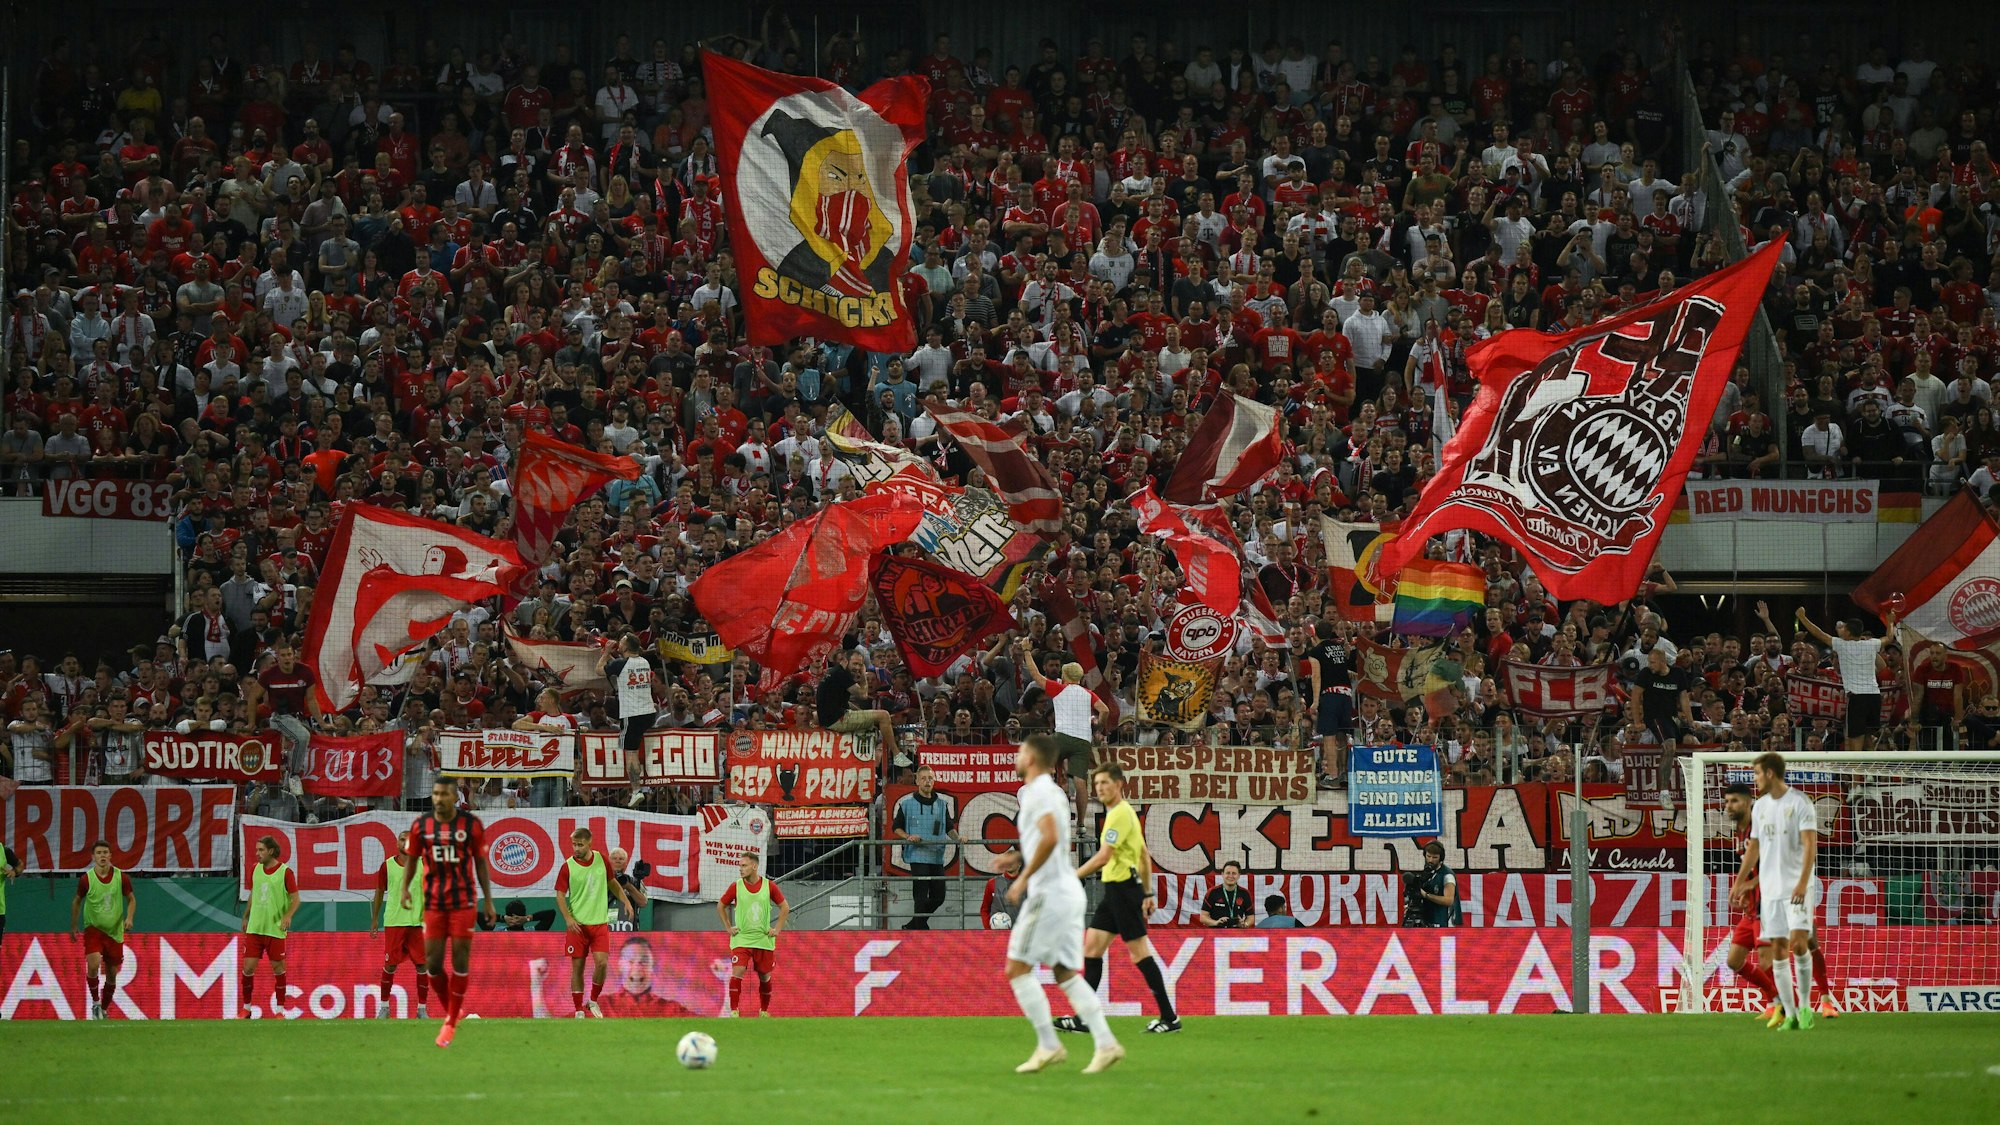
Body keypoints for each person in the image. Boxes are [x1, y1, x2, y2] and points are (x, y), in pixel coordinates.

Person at [1001, 732, 1123, 1074]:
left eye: (1021, 751)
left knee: (1017, 969)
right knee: (1064, 972)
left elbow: (1052, 836)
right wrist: (1016, 856)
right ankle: (1106, 1042)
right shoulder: (1052, 792)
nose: (1016, 756)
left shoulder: (1038, 791)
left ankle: (1049, 1045)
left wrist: (1023, 877)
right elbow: (1048, 837)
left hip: (1049, 893)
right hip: (1067, 889)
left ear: (1032, 759)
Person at [1058, 762, 1180, 1034]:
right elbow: (1144, 855)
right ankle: (1084, 1018)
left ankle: (1170, 1018)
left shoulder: (1119, 814)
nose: (1100, 788)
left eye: (1105, 783)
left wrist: (1073, 876)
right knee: (1091, 950)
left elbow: (1104, 856)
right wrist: (1148, 893)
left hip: (1124, 890)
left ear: (1119, 784)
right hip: (1117, 890)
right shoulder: (1123, 814)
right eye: (1097, 784)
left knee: (1139, 955)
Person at [399, 776, 497, 1047]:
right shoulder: (421, 826)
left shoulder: (471, 825)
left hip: (463, 901)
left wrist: (488, 901)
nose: (439, 799)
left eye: (444, 794)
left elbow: (480, 864)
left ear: (456, 797)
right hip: (433, 903)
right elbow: (412, 860)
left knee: (460, 961)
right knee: (432, 964)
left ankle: (451, 1021)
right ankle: (452, 1010)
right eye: (435, 794)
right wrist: (404, 888)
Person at [1731, 751, 1822, 1031]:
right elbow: (1755, 847)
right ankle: (1791, 1014)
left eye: (1757, 773)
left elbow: (1810, 845)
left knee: (1798, 944)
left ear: (1770, 773)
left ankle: (1805, 1007)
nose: (1755, 779)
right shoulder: (1760, 808)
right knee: (1779, 952)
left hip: (1796, 887)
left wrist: (1802, 882)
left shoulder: (1800, 802)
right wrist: (1738, 882)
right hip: (1769, 891)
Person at [1016, 639, 1108, 820]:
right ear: (1081, 678)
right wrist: (1098, 725)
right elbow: (1105, 710)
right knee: (1080, 781)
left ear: (1064, 677)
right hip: (1083, 741)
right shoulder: (1088, 693)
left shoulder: (1059, 689)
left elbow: (1035, 675)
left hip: (1062, 737)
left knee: (1043, 766)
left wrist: (1027, 651)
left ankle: (1042, 802)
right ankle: (1081, 823)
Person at [555, 826, 635, 1017]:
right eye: (574, 844)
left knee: (602, 963)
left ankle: (593, 1001)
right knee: (578, 968)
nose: (576, 848)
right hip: (578, 926)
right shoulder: (567, 866)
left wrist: (626, 901)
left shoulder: (601, 860)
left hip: (599, 923)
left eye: (580, 845)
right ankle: (577, 1009)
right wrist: (568, 918)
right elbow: (559, 895)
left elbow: (612, 883)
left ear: (589, 843)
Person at [1794, 604, 1896, 751]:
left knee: (1855, 744)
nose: (1841, 630)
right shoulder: (1871, 643)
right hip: (1874, 697)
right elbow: (1889, 637)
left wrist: (1802, 617)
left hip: (1857, 699)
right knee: (1868, 738)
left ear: (1848, 632)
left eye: (1843, 628)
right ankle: (1869, 774)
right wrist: (1891, 621)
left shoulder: (1841, 645)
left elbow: (1819, 633)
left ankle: (1857, 774)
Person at [1720, 783, 1781, 1019]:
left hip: (1769, 901)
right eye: (1726, 802)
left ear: (1747, 802)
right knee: (1734, 960)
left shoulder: (1761, 827)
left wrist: (1749, 885)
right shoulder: (1740, 831)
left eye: (1734, 801)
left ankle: (1781, 1006)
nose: (1728, 806)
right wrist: (1743, 889)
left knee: (1766, 961)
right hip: (1754, 904)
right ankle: (1777, 1000)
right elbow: (1754, 867)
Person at [716, 851, 789, 1017]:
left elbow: (785, 907)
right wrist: (728, 927)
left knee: (764, 977)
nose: (740, 869)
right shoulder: (736, 886)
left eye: (744, 865)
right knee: (738, 971)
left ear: (754, 867)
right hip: (742, 938)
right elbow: (721, 905)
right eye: (740, 866)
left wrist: (777, 929)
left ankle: (764, 1011)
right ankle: (734, 1011)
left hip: (763, 939)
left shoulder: (769, 886)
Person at [69, 840, 134, 1020]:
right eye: (98, 853)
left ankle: (103, 1010)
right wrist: (74, 926)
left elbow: (131, 899)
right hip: (94, 929)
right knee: (94, 964)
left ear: (110, 855)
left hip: (115, 931)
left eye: (105, 852)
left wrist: (129, 918)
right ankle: (96, 1002)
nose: (102, 856)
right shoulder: (86, 879)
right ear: (93, 857)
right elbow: (76, 901)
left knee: (112, 974)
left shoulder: (121, 877)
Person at [370, 829, 429, 1018]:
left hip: (417, 923)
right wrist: (374, 919)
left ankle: (421, 1010)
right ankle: (385, 1007)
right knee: (390, 965)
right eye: (402, 840)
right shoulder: (387, 866)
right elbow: (379, 892)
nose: (405, 843)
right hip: (394, 921)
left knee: (422, 966)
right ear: (397, 843)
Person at [239, 834, 300, 1017]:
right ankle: (246, 1009)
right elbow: (253, 894)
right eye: (257, 850)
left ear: (271, 851)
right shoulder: (255, 869)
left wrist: (288, 916)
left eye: (261, 850)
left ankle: (280, 1010)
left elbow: (296, 899)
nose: (257, 853)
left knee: (278, 969)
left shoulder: (285, 872)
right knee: (248, 968)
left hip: (275, 929)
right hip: (255, 928)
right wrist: (245, 916)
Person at [892, 764, 957, 929]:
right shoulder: (907, 804)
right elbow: (896, 827)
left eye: (930, 778)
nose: (928, 782)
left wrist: (958, 838)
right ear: (917, 781)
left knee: (939, 896)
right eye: (924, 778)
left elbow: (949, 827)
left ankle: (914, 924)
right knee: (920, 896)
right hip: (917, 855)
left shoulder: (942, 804)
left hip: (936, 856)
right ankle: (919, 929)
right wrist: (908, 836)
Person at [817, 649, 897, 753]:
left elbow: (841, 702)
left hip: (830, 719)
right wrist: (864, 674)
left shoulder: (833, 672)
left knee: (870, 726)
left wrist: (858, 711)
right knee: (884, 715)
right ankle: (896, 754)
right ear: (845, 661)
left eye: (860, 664)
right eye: (855, 664)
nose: (857, 668)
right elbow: (863, 695)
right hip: (836, 720)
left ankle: (865, 759)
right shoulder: (842, 674)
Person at [599, 634, 658, 773]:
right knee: (639, 749)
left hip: (632, 714)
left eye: (621, 642)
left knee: (631, 753)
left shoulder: (621, 664)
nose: (618, 644)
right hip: (649, 713)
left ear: (625, 646)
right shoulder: (644, 661)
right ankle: (642, 788)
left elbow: (599, 670)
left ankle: (637, 791)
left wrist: (606, 653)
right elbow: (621, 668)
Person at [1306, 620, 1355, 780]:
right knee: (1342, 735)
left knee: (1329, 735)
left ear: (1315, 634)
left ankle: (1332, 774)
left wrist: (1315, 701)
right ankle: (1344, 773)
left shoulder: (1316, 651)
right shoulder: (1340, 647)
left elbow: (1316, 676)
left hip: (1330, 695)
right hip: (1346, 696)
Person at [1410, 841, 1460, 926]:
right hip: (1429, 921)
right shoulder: (1428, 873)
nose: (1430, 860)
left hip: (1443, 923)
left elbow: (1449, 900)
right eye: (1428, 856)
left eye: (1435, 857)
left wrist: (1426, 895)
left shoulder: (1447, 875)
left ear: (1441, 858)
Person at [1198, 860, 1253, 927]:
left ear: (1238, 876)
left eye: (1234, 873)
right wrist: (1216, 922)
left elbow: (1251, 917)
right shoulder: (1212, 892)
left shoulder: (1245, 893)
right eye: (1228, 873)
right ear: (1222, 874)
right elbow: (1203, 917)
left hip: (1237, 933)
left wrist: (1245, 924)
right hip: (1216, 932)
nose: (1230, 876)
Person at [980, 848, 1022, 928]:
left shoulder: (1027, 884)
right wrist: (988, 930)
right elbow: (984, 909)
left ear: (1019, 863)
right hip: (998, 935)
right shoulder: (992, 883)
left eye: (1012, 862)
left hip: (1020, 933)